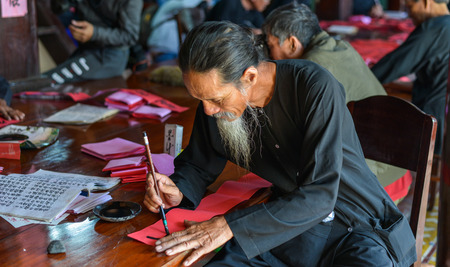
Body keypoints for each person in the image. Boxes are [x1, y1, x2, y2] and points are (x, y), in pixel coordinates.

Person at [143, 21, 416, 266]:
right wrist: (177, 189)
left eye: (215, 99)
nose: (207, 111)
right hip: (287, 230)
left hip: (358, 229)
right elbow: (198, 164)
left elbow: (320, 194)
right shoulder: (216, 104)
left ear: (249, 77)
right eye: (199, 99)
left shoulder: (313, 86)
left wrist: (228, 226)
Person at [262, 2, 408, 192]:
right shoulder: (340, 46)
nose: (269, 54)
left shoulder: (309, 69)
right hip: (397, 165)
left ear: (292, 43)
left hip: (373, 184)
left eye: (271, 45)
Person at [371, 0, 450, 156]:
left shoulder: (433, 29)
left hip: (432, 118)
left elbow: (393, 65)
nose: (408, 14)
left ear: (425, 0)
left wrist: (362, 77)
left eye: (410, 6)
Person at [44, 0, 143, 84]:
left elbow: (131, 36)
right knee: (47, 80)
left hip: (110, 57)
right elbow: (57, 10)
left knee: (50, 81)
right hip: (86, 51)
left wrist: (94, 33)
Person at [147, 0, 212, 63]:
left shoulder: (190, 20)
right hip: (162, 53)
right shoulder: (171, 5)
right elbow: (183, 3)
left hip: (174, 55)